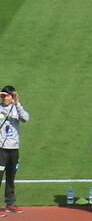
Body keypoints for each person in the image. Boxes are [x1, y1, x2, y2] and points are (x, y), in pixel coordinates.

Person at [0, 86, 28, 214]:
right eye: (3, 96)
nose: (5, 98)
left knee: (11, 177)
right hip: (1, 149)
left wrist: (17, 104)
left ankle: (10, 203)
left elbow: (26, 118)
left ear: (12, 97)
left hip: (14, 149)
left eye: (7, 96)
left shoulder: (16, 109)